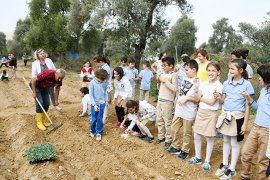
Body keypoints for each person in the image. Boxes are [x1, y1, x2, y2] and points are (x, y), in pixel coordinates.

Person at [214, 59, 254, 179]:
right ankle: (225, 164)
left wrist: (245, 124)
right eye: (229, 68)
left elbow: (248, 105)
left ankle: (232, 169)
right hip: (226, 115)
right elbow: (223, 100)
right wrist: (218, 98)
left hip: (237, 117)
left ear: (241, 70)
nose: (230, 71)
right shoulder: (226, 83)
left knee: (234, 143)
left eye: (232, 69)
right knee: (225, 140)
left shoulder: (247, 85)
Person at [187, 61, 223, 173]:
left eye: (213, 71)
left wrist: (201, 99)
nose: (211, 73)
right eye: (209, 70)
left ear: (218, 73)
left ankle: (207, 161)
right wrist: (197, 88)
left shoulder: (219, 86)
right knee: (197, 134)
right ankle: (198, 157)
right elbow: (197, 97)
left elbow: (212, 102)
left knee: (209, 137)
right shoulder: (203, 83)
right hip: (201, 111)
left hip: (211, 113)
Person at [240, 63, 270, 180]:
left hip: (267, 131)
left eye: (261, 76)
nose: (258, 78)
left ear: (267, 78)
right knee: (245, 153)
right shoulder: (263, 91)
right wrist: (249, 99)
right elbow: (258, 107)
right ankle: (245, 175)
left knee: (263, 160)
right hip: (256, 127)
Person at [167, 60, 199, 159]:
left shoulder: (198, 82)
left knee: (186, 133)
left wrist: (187, 99)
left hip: (189, 112)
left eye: (187, 70)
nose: (185, 71)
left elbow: (197, 99)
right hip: (179, 110)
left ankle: (185, 150)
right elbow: (178, 70)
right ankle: (176, 146)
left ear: (194, 70)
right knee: (174, 128)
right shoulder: (185, 77)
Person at [155, 56, 178, 150]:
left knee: (167, 121)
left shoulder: (174, 75)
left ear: (171, 66)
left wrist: (165, 81)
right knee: (159, 119)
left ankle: (168, 140)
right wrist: (159, 82)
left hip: (168, 101)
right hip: (160, 99)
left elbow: (175, 88)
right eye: (162, 65)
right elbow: (159, 87)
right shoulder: (162, 74)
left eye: (165, 65)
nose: (163, 67)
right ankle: (161, 137)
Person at [89, 69, 108, 141]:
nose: (101, 81)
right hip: (94, 104)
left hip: (102, 103)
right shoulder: (92, 83)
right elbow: (91, 95)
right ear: (96, 76)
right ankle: (92, 130)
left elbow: (105, 92)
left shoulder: (104, 83)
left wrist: (106, 100)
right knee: (94, 119)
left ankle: (99, 132)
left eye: (103, 80)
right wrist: (94, 105)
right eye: (100, 79)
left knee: (100, 119)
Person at [93, 55, 113, 124]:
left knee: (105, 102)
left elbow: (103, 79)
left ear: (101, 62)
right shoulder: (103, 67)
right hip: (105, 87)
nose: (96, 64)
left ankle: (104, 118)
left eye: (97, 63)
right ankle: (102, 116)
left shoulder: (106, 69)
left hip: (106, 87)